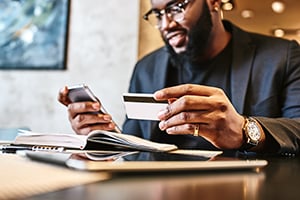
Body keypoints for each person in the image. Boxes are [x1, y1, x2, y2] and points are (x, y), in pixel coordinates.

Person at [58, 0, 300, 156]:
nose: (166, 24)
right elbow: (136, 146)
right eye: (158, 14)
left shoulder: (282, 56)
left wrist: (244, 130)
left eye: (177, 7)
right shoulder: (146, 67)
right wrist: (105, 137)